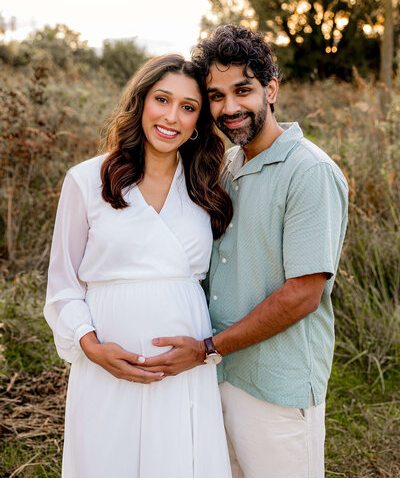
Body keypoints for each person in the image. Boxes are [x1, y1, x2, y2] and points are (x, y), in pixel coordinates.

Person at [141, 26, 349, 478]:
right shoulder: (229, 166)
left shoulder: (309, 172)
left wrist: (207, 348)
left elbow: (303, 294)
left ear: (270, 89)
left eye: (243, 90)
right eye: (216, 96)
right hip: (220, 377)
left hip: (277, 386)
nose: (229, 108)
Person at [44, 54, 233, 478]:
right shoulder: (87, 180)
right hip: (107, 368)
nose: (171, 117)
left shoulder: (208, 187)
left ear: (199, 121)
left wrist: (207, 349)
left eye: (188, 107)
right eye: (161, 99)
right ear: (140, 102)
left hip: (184, 369)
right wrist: (91, 346)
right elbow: (63, 284)